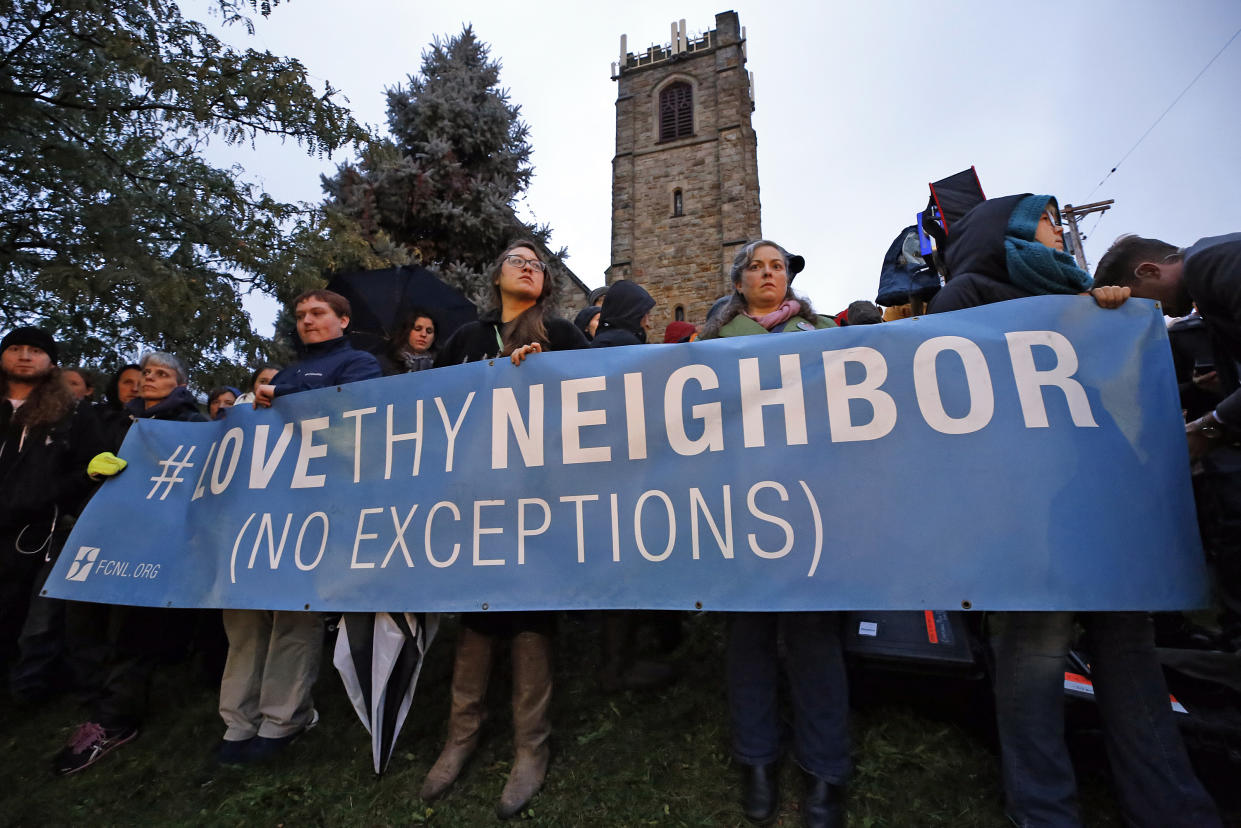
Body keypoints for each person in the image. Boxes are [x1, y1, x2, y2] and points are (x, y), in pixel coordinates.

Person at [927, 195, 1219, 828]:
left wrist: (1104, 315)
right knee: (1034, 655)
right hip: (1031, 510)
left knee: (1130, 652)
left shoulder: (1084, 297)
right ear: (1008, 229)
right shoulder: (968, 295)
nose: (1060, 232)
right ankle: (1043, 808)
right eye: (1047, 219)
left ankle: (1171, 806)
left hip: (1101, 502)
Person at [424, 241, 588, 819]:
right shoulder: (466, 340)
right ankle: (460, 736)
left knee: (530, 610)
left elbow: (599, 397)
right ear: (497, 275)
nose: (530, 266)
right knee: (477, 609)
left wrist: (547, 375)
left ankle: (529, 747)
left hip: (539, 495)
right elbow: (427, 409)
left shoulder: (563, 333)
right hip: (476, 497)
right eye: (518, 260)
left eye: (538, 264)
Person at [700, 240, 847, 828]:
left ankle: (825, 771)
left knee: (814, 635)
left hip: (812, 504)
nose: (768, 274)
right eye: (757, 267)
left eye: (778, 266)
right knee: (749, 634)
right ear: (739, 283)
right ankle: (756, 759)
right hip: (740, 504)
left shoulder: (825, 332)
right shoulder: (710, 345)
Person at [219, 290, 381, 765]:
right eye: (301, 315)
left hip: (315, 505)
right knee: (246, 617)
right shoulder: (287, 371)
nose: (307, 321)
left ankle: (281, 720)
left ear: (343, 320)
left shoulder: (358, 364)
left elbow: (358, 411)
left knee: (294, 613)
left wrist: (285, 399)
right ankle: (237, 722)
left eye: (318, 313)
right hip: (266, 507)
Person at [52, 350, 205, 775]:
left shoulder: (194, 426)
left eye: (161, 374)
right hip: (104, 537)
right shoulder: (112, 423)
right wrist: (91, 473)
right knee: (84, 621)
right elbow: (72, 476)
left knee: (133, 632)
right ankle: (96, 707)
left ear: (180, 384)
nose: (148, 379)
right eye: (145, 373)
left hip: (153, 543)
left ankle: (115, 722)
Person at [0, 328, 105, 695]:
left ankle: (27, 692)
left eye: (35, 350)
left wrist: (49, 497)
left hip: (42, 533)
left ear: (51, 362)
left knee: (37, 621)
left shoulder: (72, 415)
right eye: (15, 348)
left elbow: (87, 468)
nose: (25, 356)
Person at [379, 308, 439, 375]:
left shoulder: (441, 366)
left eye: (429, 331)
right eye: (418, 329)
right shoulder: (384, 363)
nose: (423, 334)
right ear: (407, 332)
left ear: (434, 338)